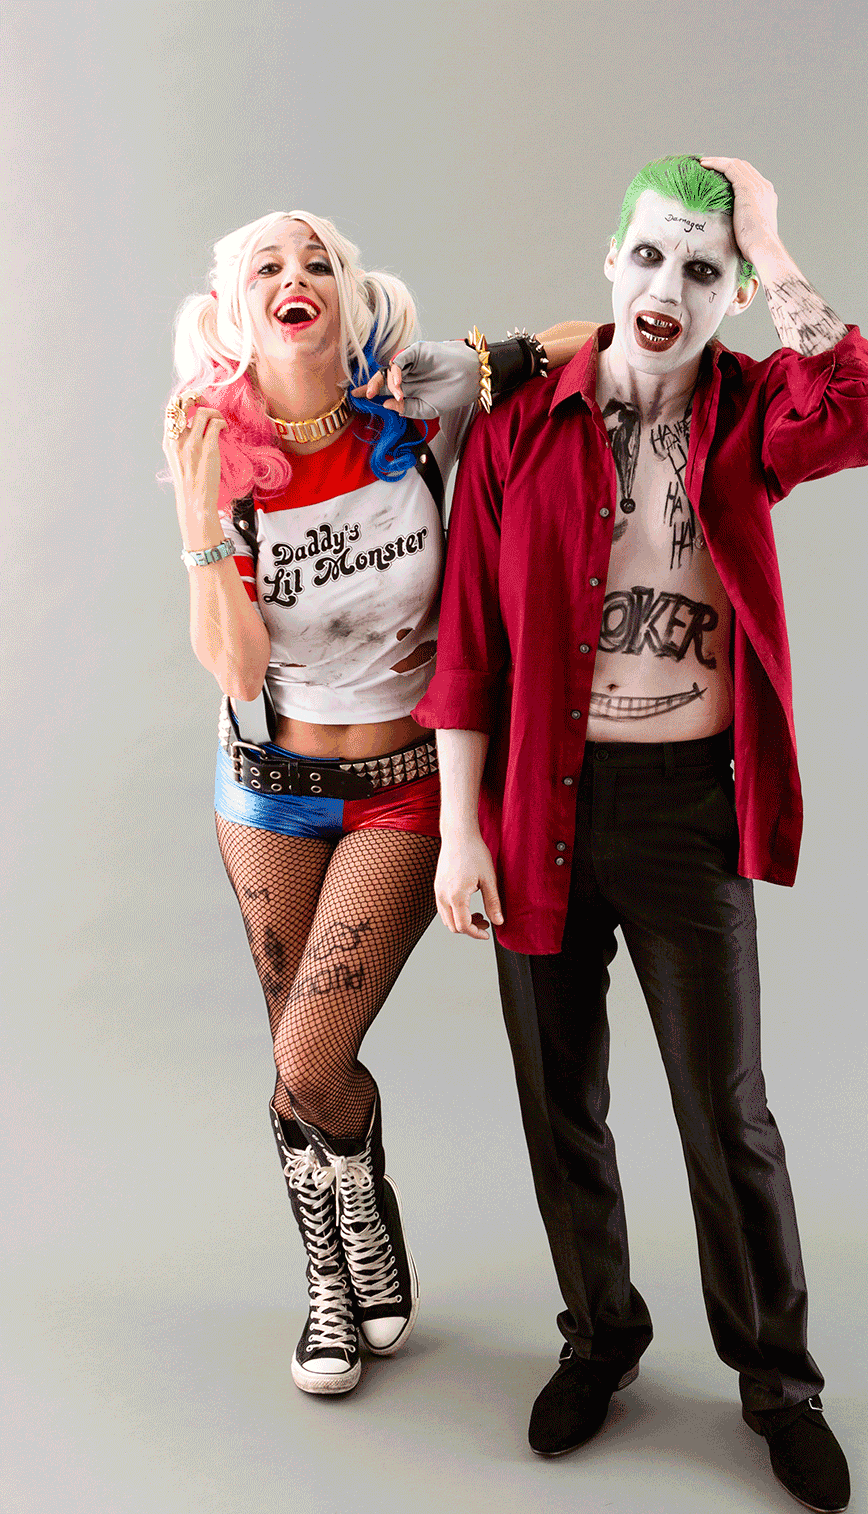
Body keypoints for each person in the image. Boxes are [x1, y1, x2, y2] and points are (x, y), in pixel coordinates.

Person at [418, 156, 868, 1511]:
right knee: (557, 1098)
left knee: (723, 1110)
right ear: (609, 262)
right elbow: (467, 645)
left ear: (729, 293)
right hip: (536, 806)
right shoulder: (518, 426)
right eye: (647, 256)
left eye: (701, 269)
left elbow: (861, 414)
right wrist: (459, 832)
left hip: (688, 805)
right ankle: (599, 1338)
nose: (666, 288)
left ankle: (777, 1383)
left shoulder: (751, 412)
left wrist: (774, 245)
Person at [162, 207, 591, 1396]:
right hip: (267, 792)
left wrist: (539, 344)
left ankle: (356, 1222)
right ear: (235, 306)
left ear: (349, 295)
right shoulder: (212, 441)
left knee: (309, 1058)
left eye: (318, 263)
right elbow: (237, 667)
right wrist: (198, 523)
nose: (293, 276)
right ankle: (335, 1268)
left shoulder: (420, 397)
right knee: (299, 1064)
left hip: (403, 786)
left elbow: (587, 344)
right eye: (267, 265)